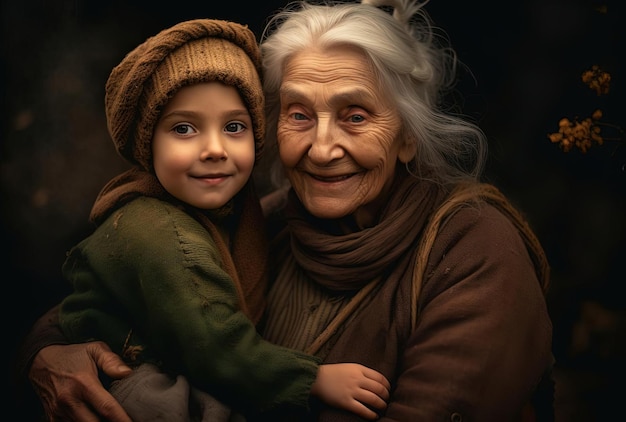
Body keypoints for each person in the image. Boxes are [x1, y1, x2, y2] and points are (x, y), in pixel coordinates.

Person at [17, 0, 555, 420]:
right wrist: (47, 354)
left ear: (408, 136)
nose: (321, 149)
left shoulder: (474, 248)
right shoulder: (264, 221)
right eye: (299, 114)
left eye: (355, 116)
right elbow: (113, 286)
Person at [23, 17, 390, 422]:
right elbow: (216, 345)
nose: (214, 148)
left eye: (234, 127)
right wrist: (313, 379)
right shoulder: (162, 234)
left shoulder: (237, 214)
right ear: (149, 145)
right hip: (126, 382)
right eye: (184, 128)